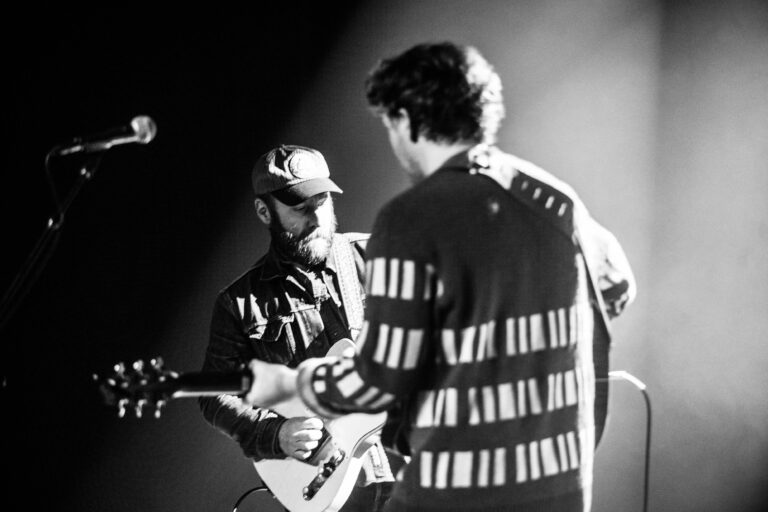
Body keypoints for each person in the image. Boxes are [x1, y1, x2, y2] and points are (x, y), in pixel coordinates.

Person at [243, 42, 637, 512]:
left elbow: (378, 380)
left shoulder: (411, 219)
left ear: (408, 120)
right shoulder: (555, 200)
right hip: (560, 488)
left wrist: (294, 385)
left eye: (391, 124)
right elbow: (615, 288)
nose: (394, 139)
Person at [198, 144, 401, 512]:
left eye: (323, 202)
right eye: (300, 208)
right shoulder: (240, 303)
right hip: (330, 485)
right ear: (264, 211)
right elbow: (215, 396)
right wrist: (276, 434)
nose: (317, 217)